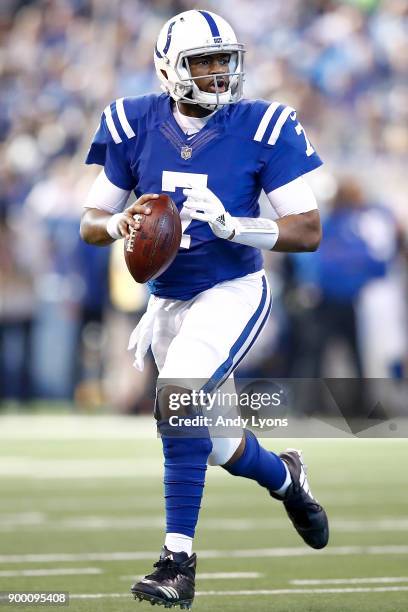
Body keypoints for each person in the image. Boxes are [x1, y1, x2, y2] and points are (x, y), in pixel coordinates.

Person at [80, 9, 328, 609]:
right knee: (216, 443)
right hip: (167, 301)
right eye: (203, 62)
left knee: (178, 395)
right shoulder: (130, 120)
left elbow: (309, 229)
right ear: (169, 69)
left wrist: (237, 225)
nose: (219, 74)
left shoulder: (265, 124)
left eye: (226, 60)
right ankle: (287, 477)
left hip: (233, 289)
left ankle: (177, 562)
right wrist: (119, 222)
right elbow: (90, 223)